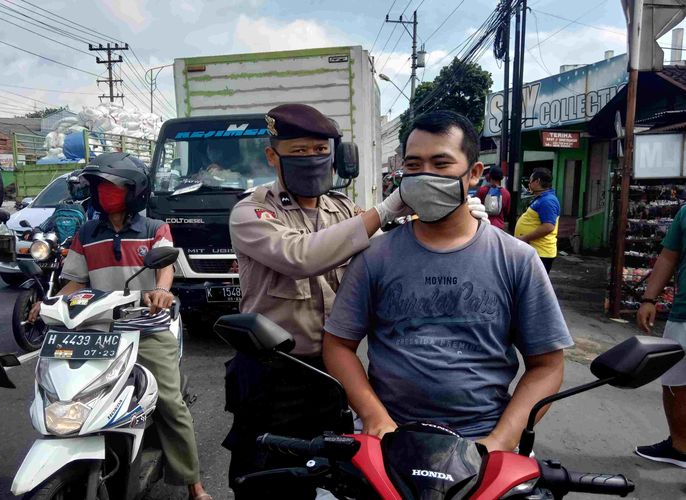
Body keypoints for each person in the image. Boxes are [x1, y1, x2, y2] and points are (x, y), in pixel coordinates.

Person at [224, 103, 487, 497]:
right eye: (298, 152)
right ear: (271, 155)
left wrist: (452, 220)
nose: (311, 161)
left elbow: (387, 257)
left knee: (333, 477)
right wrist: (387, 209)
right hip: (273, 374)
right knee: (266, 477)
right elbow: (301, 257)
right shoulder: (253, 211)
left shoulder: (342, 209)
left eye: (319, 151)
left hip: (332, 373)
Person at [323, 111, 573, 452]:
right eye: (413, 166)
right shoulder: (374, 257)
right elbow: (338, 345)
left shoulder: (517, 260)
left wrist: (500, 441)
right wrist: (373, 416)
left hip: (484, 444)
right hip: (387, 440)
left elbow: (547, 366)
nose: (425, 176)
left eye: (441, 164)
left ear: (473, 174)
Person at [27, 153, 212, 499]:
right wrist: (49, 303)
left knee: (171, 403)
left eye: (112, 187)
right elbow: (74, 283)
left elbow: (165, 268)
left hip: (146, 329)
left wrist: (161, 291)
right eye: (99, 187)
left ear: (134, 190)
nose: (104, 194)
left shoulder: (154, 228)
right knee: (67, 392)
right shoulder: (85, 233)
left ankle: (194, 484)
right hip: (96, 331)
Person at [634, 205, 686, 468]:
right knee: (674, 382)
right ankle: (680, 446)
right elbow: (669, 257)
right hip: (683, 313)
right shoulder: (685, 213)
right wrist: (649, 298)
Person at [514, 168, 560, 273]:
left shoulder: (548, 201)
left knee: (532, 287)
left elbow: (548, 226)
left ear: (537, 181)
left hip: (540, 253)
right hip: (535, 252)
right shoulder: (541, 198)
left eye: (530, 181)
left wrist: (524, 238)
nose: (529, 184)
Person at [477, 165, 510, 229]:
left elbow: (477, 207)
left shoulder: (482, 190)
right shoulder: (506, 193)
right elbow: (506, 212)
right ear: (501, 178)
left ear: (489, 176)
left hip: (484, 225)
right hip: (499, 227)